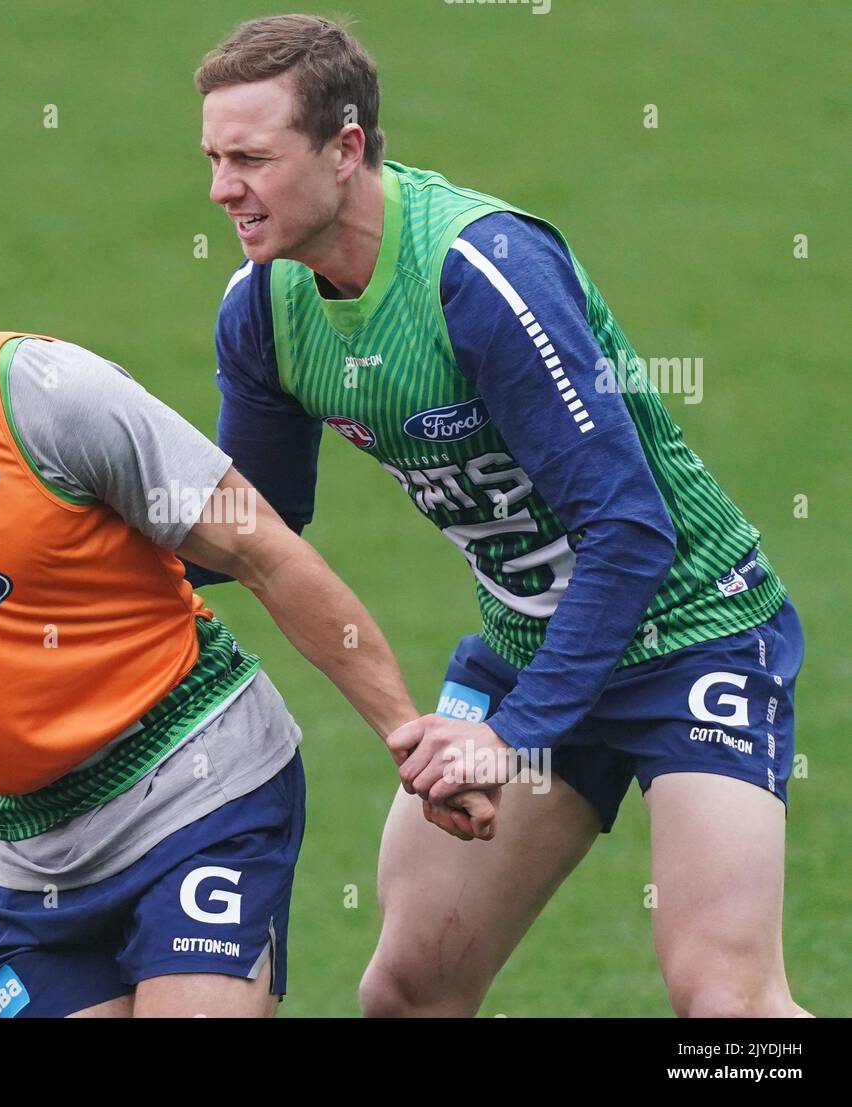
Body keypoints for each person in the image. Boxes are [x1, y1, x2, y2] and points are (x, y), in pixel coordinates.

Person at [0, 142, 497, 1019]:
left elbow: (262, 549)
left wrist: (405, 734)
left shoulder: (42, 397)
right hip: (38, 857)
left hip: (206, 781)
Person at [191, 14, 808, 1018]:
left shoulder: (478, 275)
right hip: (528, 645)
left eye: (251, 158)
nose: (222, 188)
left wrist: (511, 736)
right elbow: (257, 522)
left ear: (344, 149)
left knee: (726, 1003)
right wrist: (58, 541)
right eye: (215, 158)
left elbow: (629, 529)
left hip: (695, 639)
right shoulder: (264, 307)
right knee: (407, 990)